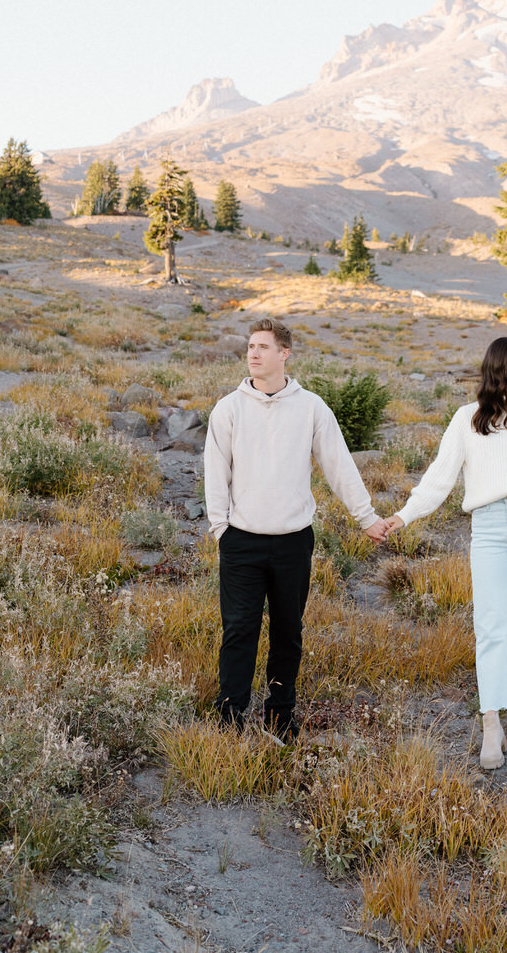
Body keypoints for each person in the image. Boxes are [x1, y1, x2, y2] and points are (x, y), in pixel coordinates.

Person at [384, 336, 507, 769]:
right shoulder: (467, 419)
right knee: (489, 625)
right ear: (498, 366)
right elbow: (439, 477)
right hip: (487, 527)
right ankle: (491, 720)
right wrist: (403, 516)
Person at [204, 316, 388, 739]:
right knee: (239, 632)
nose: (253, 353)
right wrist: (221, 530)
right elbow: (215, 474)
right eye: (250, 346)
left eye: (263, 347)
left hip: (292, 542)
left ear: (284, 354)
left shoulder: (311, 408)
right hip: (242, 541)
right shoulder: (229, 409)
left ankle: (280, 716)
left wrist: (367, 518)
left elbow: (339, 465)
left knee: (288, 632)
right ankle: (230, 717)